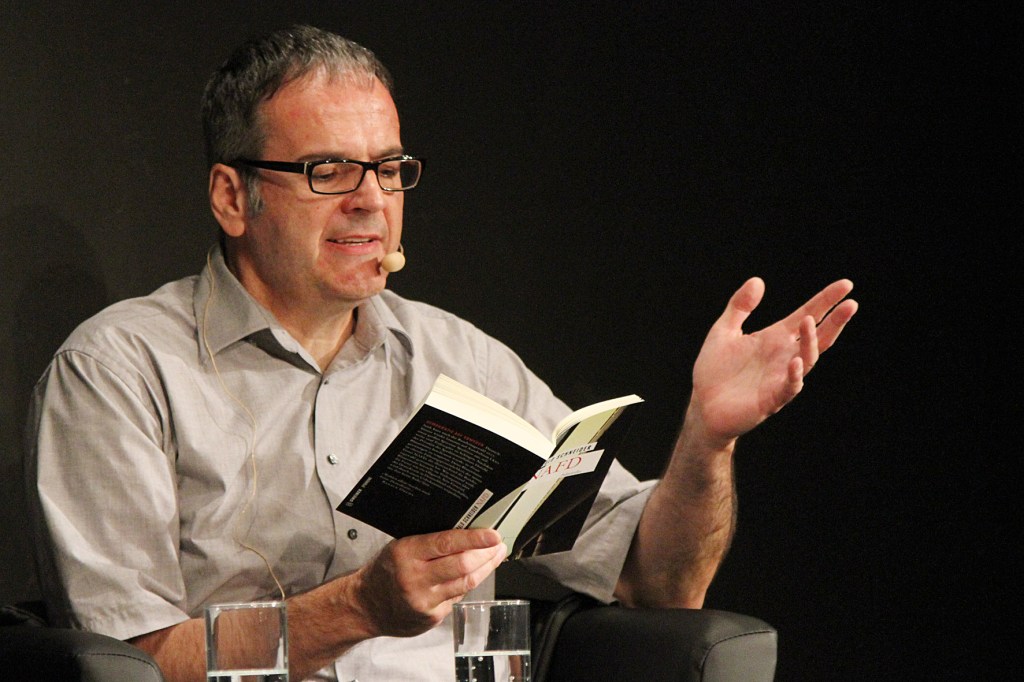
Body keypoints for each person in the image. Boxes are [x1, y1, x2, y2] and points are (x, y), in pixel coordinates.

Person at [24, 25, 858, 682]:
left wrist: (708, 439)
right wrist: (360, 607)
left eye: (389, 170)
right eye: (328, 171)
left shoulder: (461, 360)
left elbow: (661, 584)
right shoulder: (119, 371)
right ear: (232, 197)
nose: (371, 202)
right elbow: (133, 663)